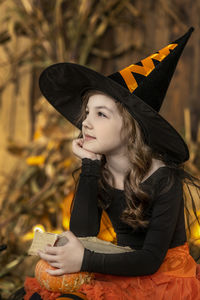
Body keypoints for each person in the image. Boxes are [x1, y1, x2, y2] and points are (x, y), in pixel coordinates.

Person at [24, 27, 200, 300]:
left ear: (131, 129)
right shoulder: (100, 171)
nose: (85, 122)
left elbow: (150, 259)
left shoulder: (164, 179)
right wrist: (90, 165)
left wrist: (84, 260)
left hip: (162, 277)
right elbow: (83, 232)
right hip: (121, 263)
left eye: (101, 114)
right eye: (87, 113)